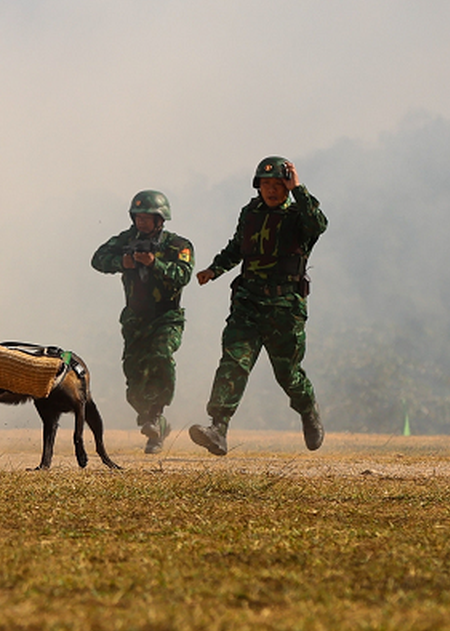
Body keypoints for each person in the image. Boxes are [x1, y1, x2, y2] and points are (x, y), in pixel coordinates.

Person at [189, 157, 328, 456]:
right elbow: (238, 247)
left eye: (278, 185)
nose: (271, 191)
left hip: (284, 308)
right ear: (258, 186)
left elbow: (319, 225)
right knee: (233, 362)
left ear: (287, 187)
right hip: (248, 303)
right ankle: (218, 428)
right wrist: (214, 270)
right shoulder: (250, 213)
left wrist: (299, 189)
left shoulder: (299, 215)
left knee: (287, 373)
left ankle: (308, 410)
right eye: (266, 185)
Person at [91, 190, 194, 453]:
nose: (142, 223)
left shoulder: (177, 245)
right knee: (134, 379)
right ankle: (152, 422)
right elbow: (97, 259)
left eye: (148, 218)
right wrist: (121, 262)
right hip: (135, 317)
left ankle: (156, 414)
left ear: (161, 219)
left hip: (166, 317)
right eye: (138, 217)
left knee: (161, 356)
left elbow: (182, 275)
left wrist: (154, 263)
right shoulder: (126, 239)